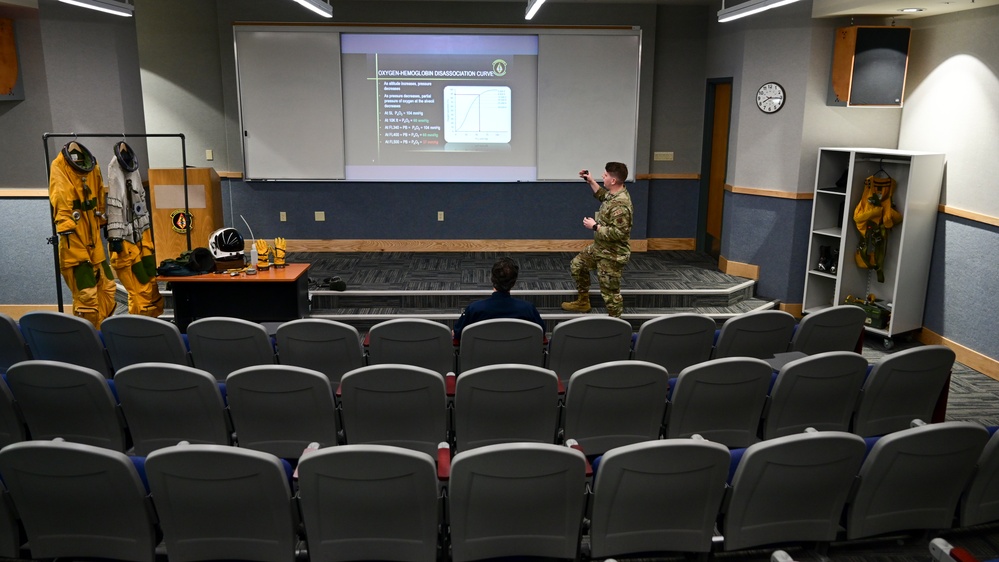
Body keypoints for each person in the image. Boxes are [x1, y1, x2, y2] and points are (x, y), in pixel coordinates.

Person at [561, 162, 633, 318]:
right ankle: (583, 302)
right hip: (600, 247)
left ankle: (616, 325)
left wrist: (595, 227)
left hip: (613, 254)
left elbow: (619, 233)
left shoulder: (621, 204)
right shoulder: (613, 194)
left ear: (613, 180)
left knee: (610, 293)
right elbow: (602, 195)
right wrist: (590, 181)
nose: (603, 176)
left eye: (605, 175)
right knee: (577, 265)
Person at [452, 257, 546, 341]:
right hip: (519, 359)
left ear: (492, 279)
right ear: (514, 283)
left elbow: (457, 335)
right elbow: (541, 333)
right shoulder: (528, 309)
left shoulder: (474, 309)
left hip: (481, 359)